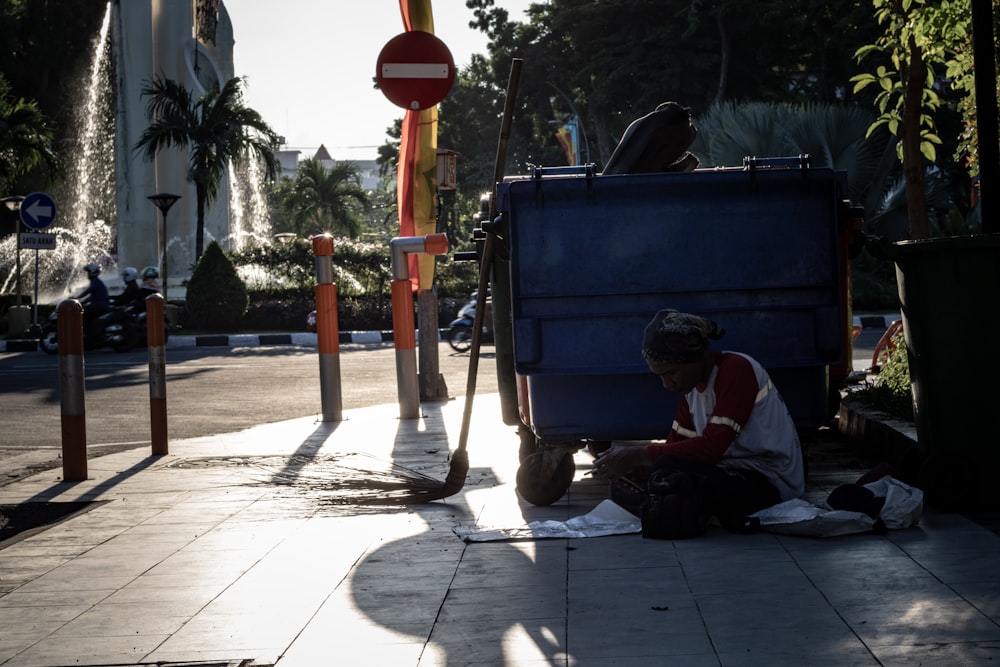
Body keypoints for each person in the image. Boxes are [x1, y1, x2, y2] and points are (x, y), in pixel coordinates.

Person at [591, 309, 805, 530]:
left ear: (694, 359)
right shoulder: (690, 389)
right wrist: (640, 469)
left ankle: (678, 506)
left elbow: (712, 447)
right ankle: (677, 506)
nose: (667, 384)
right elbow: (676, 445)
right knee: (641, 482)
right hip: (725, 471)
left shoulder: (736, 369)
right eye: (661, 376)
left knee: (673, 479)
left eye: (671, 373)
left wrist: (640, 454)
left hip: (767, 481)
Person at [76, 262, 111, 336]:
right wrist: (81, 302)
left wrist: (78, 297)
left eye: (88, 272)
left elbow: (89, 291)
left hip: (100, 305)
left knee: (83, 314)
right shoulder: (96, 281)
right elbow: (91, 297)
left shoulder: (95, 281)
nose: (87, 274)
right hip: (100, 304)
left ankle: (87, 333)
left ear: (92, 272)